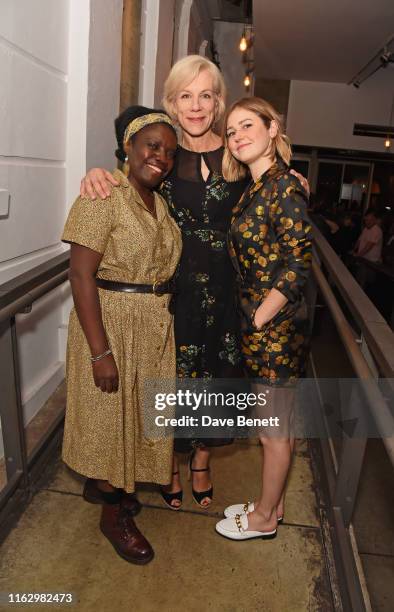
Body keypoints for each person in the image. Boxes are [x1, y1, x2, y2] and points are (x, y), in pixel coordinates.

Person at [79, 55, 309, 511]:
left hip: (228, 290)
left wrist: (291, 175)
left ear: (219, 102)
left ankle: (201, 460)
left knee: (217, 378)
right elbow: (127, 183)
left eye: (206, 95)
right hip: (173, 290)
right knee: (172, 380)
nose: (197, 106)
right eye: (186, 96)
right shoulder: (161, 152)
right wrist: (96, 172)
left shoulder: (238, 152)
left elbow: (271, 183)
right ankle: (166, 464)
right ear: (171, 103)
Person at [62, 106, 181, 563]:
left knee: (136, 418)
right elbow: (79, 275)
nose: (161, 157)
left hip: (150, 325)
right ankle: (113, 515)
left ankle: (106, 485)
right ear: (128, 148)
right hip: (110, 323)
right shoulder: (103, 196)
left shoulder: (160, 203)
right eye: (152, 145)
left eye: (169, 152)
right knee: (110, 423)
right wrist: (100, 353)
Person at [215, 96, 312, 540]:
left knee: (274, 434)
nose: (237, 136)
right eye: (231, 131)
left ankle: (264, 519)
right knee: (275, 430)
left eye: (247, 125)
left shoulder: (283, 187)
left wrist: (259, 318)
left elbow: (298, 264)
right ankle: (271, 503)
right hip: (265, 329)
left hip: (273, 330)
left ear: (273, 129)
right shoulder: (261, 185)